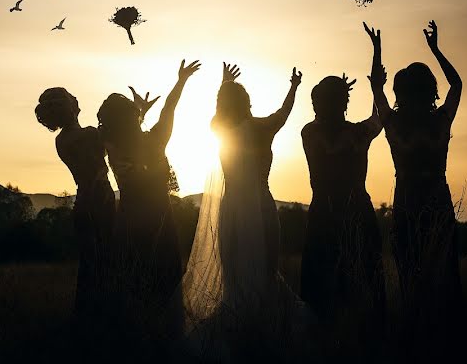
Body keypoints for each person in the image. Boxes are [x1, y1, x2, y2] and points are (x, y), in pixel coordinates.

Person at [183, 63, 316, 361]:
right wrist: (294, 87)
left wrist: (223, 84)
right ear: (247, 102)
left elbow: (221, 111)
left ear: (221, 104)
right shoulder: (261, 128)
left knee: (234, 274)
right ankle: (264, 330)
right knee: (267, 270)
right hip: (261, 205)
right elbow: (284, 113)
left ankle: (240, 329)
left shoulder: (217, 127)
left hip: (231, 208)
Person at [364, 20, 463, 356]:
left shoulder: (393, 122)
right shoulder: (441, 120)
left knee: (411, 282)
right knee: (445, 280)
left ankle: (415, 344)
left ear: (401, 93)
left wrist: (377, 50)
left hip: (406, 204)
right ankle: (445, 344)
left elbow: (376, 86)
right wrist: (435, 49)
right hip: (437, 203)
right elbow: (458, 84)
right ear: (430, 90)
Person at [97, 59, 201, 340]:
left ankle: (134, 341)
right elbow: (170, 108)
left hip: (128, 222)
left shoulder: (108, 146)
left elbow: (119, 129)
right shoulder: (156, 140)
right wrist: (181, 80)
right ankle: (166, 341)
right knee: (165, 283)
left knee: (133, 284)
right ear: (132, 119)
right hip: (159, 222)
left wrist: (137, 113)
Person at [300, 72, 385, 353]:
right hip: (356, 213)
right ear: (344, 102)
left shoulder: (308, 133)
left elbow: (321, 117)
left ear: (317, 104)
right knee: (362, 285)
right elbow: (379, 119)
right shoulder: (358, 134)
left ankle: (322, 347)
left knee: (320, 288)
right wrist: (376, 89)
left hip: (322, 214)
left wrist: (335, 92)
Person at [35, 88, 115, 318]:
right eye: (71, 97)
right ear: (68, 107)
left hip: (84, 202)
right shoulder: (87, 135)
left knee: (90, 267)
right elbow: (116, 138)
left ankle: (86, 320)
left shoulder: (62, 140)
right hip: (98, 201)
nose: (76, 98)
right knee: (104, 263)